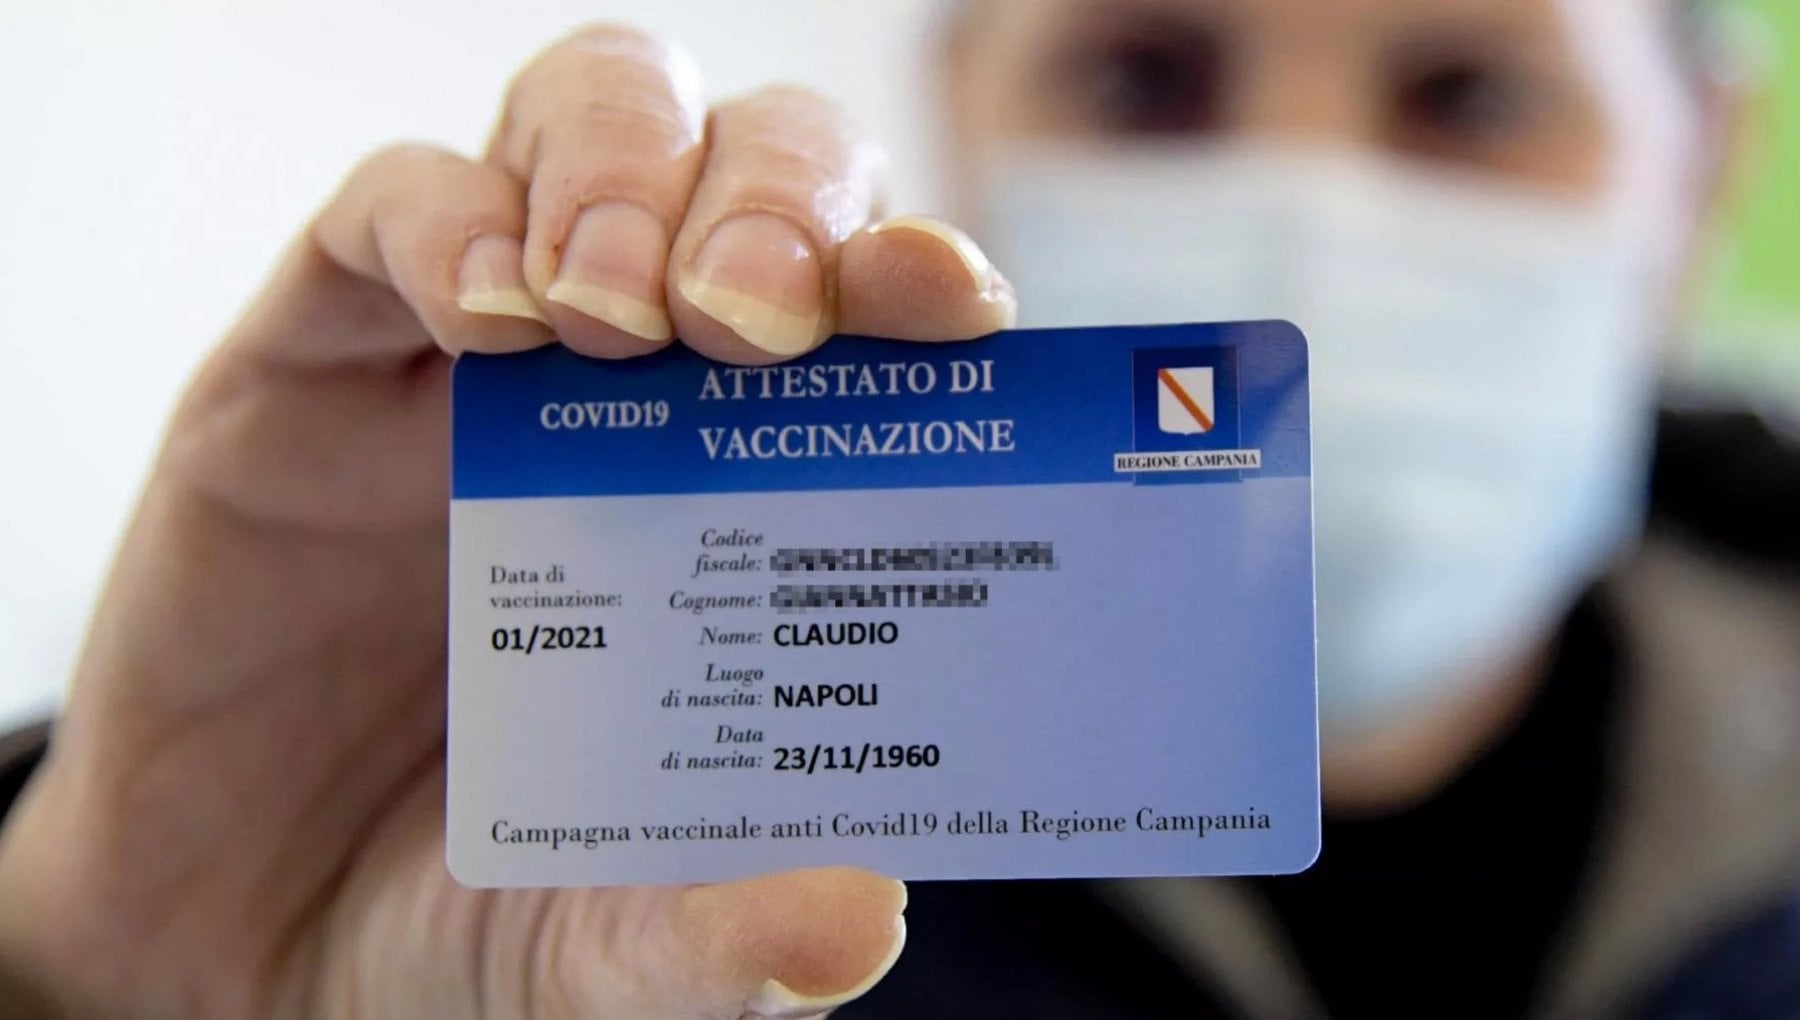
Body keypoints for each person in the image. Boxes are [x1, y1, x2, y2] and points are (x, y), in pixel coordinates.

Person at [1, 0, 1797, 1016]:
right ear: (962, 109)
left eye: (1473, 96)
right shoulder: (631, 836)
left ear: (1702, 170)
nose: (1303, 206)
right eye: (1143, 78)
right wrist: (81, 974)